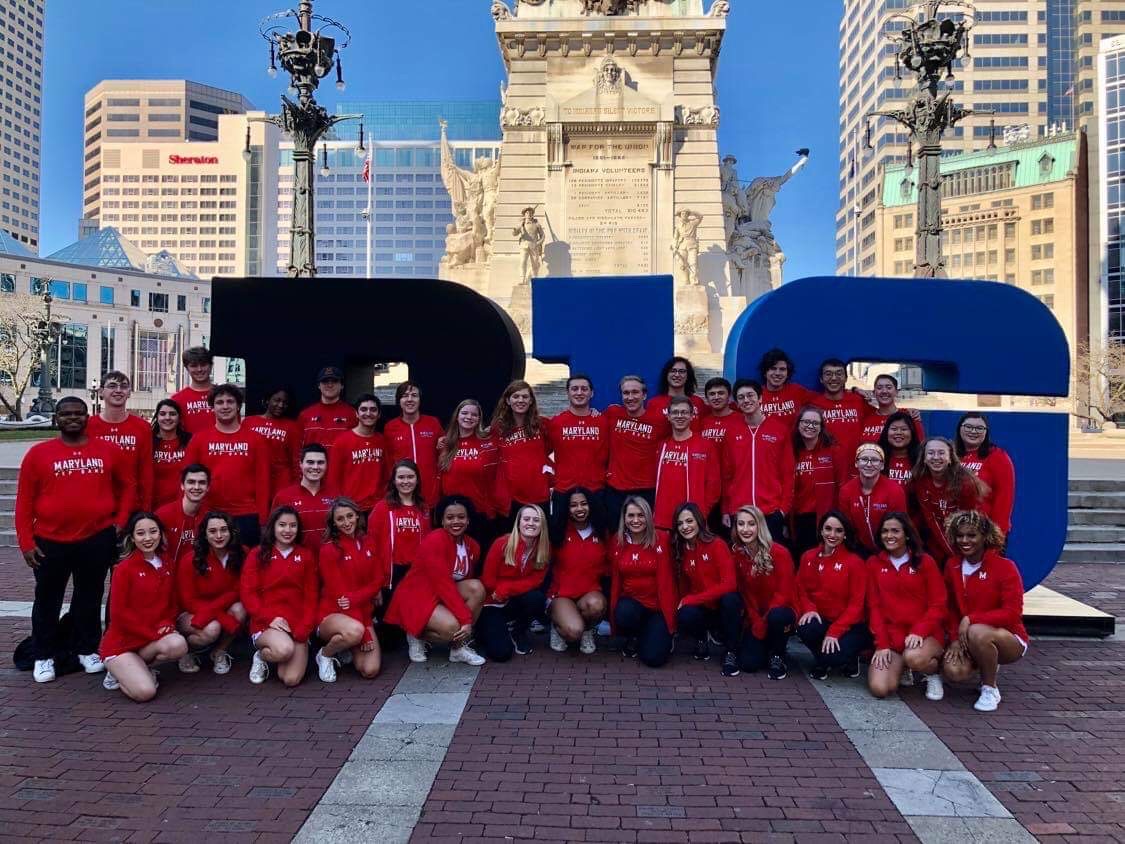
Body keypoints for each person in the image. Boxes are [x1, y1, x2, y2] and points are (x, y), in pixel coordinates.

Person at [16, 397, 132, 683]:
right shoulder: (38, 453)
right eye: (66, 414)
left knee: (89, 596)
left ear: (87, 417)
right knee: (47, 599)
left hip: (96, 537)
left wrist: (120, 522)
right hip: (49, 541)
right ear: (56, 418)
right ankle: (43, 655)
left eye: (78, 413)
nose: (72, 418)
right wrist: (26, 542)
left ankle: (86, 648)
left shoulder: (108, 450)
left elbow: (128, 486)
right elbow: (24, 502)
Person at [940, 510, 1028, 712]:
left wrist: (972, 619)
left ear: (985, 537)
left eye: (971, 535)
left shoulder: (1005, 567)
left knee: (978, 631)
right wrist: (954, 638)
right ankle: (987, 661)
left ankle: (990, 688)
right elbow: (950, 607)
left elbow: (1012, 613)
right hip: (967, 636)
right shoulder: (952, 565)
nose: (965, 540)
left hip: (1009, 637)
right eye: (960, 535)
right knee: (954, 672)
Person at [383, 495, 487, 666]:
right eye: (450, 517)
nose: (456, 522)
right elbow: (443, 584)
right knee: (453, 627)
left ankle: (458, 650)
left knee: (477, 588)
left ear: (468, 520)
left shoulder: (472, 545)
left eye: (461, 517)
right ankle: (414, 633)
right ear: (442, 520)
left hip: (441, 596)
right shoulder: (435, 540)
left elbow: (464, 581)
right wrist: (466, 620)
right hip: (417, 596)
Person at [99, 513, 188, 701]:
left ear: (161, 534)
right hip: (123, 643)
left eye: (153, 532)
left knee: (178, 645)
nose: (148, 538)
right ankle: (118, 671)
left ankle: (139, 668)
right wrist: (153, 634)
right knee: (145, 693)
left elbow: (173, 603)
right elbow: (119, 615)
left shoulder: (167, 563)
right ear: (132, 538)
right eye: (141, 533)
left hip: (148, 641)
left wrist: (167, 623)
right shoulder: (123, 569)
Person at [866, 512, 948, 702]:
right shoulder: (873, 564)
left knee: (914, 657)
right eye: (885, 531)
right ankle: (904, 668)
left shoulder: (925, 561)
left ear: (907, 534)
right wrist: (882, 644)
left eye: (895, 531)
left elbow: (939, 604)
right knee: (880, 688)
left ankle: (934, 673)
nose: (889, 536)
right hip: (893, 637)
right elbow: (874, 607)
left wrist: (919, 631)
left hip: (924, 635)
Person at [241, 506, 319, 687]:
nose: (287, 530)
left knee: (290, 679)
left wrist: (304, 627)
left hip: (297, 623)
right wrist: (269, 618)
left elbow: (311, 595)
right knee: (284, 650)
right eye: (282, 525)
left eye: (293, 526)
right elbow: (248, 593)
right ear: (273, 527)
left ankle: (279, 654)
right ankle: (261, 656)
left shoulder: (306, 555)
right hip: (267, 621)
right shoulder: (258, 554)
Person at [184, 384, 270, 544]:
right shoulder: (199, 439)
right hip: (209, 514)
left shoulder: (256, 440)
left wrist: (263, 520)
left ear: (238, 406)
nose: (225, 406)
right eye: (220, 402)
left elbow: (263, 482)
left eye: (230, 402)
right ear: (212, 407)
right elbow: (186, 480)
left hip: (246, 515)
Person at [315, 498, 387, 683]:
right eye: (340, 519)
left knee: (370, 670)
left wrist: (357, 598)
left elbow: (378, 579)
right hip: (333, 614)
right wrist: (365, 634)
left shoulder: (369, 540)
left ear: (357, 516)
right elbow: (341, 597)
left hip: (360, 610)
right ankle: (325, 654)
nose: (346, 523)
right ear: (333, 523)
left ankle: (345, 646)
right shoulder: (329, 549)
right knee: (356, 632)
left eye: (349, 516)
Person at [795, 511, 869, 680]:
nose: (832, 534)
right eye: (828, 529)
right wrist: (809, 609)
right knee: (806, 626)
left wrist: (834, 632)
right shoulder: (808, 557)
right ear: (821, 531)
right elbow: (800, 589)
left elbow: (856, 605)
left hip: (849, 626)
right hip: (822, 620)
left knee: (835, 658)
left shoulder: (855, 563)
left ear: (845, 535)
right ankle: (823, 660)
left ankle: (845, 658)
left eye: (838, 530)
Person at [671, 503, 742, 677]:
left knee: (730, 599)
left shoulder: (717, 544)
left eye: (689, 521)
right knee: (685, 613)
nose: (685, 527)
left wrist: (692, 600)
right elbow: (684, 587)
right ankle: (701, 638)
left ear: (699, 521)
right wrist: (685, 601)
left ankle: (730, 651)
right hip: (703, 608)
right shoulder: (681, 549)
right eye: (680, 524)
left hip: (723, 607)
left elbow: (730, 584)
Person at [720, 379, 794, 544]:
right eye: (741, 397)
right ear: (737, 403)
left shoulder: (779, 430)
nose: (746, 400)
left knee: (770, 562)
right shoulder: (732, 431)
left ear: (760, 398)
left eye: (750, 395)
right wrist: (726, 510)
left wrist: (782, 510)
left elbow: (788, 473)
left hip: (770, 511)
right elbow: (727, 474)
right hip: (739, 511)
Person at [609, 496, 677, 668]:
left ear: (648, 516)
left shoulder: (662, 538)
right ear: (624, 518)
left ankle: (655, 635)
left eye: (640, 515)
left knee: (653, 659)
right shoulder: (617, 542)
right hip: (632, 605)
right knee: (624, 612)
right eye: (631, 516)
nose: (636, 520)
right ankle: (634, 635)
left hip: (657, 608)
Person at [175, 511, 247, 675]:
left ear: (231, 532)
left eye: (224, 530)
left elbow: (240, 590)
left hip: (220, 609)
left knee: (240, 609)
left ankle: (220, 651)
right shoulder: (191, 559)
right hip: (190, 613)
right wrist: (221, 616)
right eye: (213, 531)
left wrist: (217, 611)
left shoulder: (242, 554)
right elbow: (188, 601)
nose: (219, 535)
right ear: (204, 534)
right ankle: (187, 651)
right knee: (212, 630)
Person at [731, 504, 797, 680]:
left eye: (751, 524)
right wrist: (755, 620)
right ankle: (766, 646)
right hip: (757, 617)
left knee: (777, 616)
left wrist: (764, 621)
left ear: (760, 526)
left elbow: (784, 594)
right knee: (748, 664)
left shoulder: (780, 553)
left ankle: (778, 655)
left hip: (779, 613)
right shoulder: (738, 555)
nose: (745, 529)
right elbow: (745, 595)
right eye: (741, 524)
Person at [478, 504, 551, 661]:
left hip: (513, 598)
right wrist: (502, 590)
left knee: (537, 599)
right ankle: (486, 632)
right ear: (518, 522)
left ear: (542, 525)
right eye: (526, 519)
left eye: (536, 520)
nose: (531, 523)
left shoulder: (543, 548)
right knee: (501, 654)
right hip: (493, 602)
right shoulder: (502, 543)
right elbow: (488, 580)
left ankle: (517, 630)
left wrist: (507, 588)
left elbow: (536, 580)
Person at [546, 374, 608, 542]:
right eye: (574, 389)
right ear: (567, 393)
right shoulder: (556, 423)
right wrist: (552, 475)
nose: (579, 392)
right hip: (564, 491)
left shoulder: (603, 421)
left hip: (596, 491)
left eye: (584, 389)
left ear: (592, 393)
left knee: (601, 539)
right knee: (559, 540)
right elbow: (541, 452)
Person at [547, 487, 607, 655]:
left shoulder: (601, 532)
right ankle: (557, 626)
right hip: (561, 595)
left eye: (583, 504)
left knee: (597, 606)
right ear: (567, 508)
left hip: (589, 594)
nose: (579, 509)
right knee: (573, 632)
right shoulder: (558, 531)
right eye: (573, 505)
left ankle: (588, 630)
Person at [603, 376, 670, 525]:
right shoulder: (612, 413)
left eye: (635, 392)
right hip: (616, 489)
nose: (630, 397)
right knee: (617, 535)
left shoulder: (660, 420)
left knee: (645, 535)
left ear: (644, 395)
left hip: (646, 489)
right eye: (626, 393)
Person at [489, 381, 552, 531]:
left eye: (525, 397)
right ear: (507, 400)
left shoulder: (542, 425)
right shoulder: (497, 429)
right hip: (511, 499)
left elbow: (554, 447)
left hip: (539, 494)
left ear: (531, 401)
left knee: (539, 542)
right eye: (516, 396)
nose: (520, 400)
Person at [909, 437, 985, 561]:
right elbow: (931, 520)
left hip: (964, 543)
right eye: (930, 453)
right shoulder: (919, 482)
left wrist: (960, 555)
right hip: (936, 545)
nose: (936, 457)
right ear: (924, 459)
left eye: (941, 453)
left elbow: (969, 522)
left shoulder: (965, 483)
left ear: (950, 458)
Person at [438, 399, 500, 546]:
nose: (469, 417)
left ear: (479, 419)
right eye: (464, 413)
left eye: (474, 414)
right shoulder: (445, 444)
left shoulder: (488, 443)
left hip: (477, 512)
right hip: (451, 515)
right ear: (457, 416)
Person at [88, 370, 153, 510]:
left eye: (123, 386)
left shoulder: (142, 427)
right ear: (101, 392)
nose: (118, 390)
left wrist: (146, 508)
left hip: (132, 504)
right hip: (97, 504)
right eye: (112, 386)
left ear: (129, 392)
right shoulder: (89, 426)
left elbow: (146, 470)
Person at [653, 396, 720, 531]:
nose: (679, 416)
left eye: (684, 412)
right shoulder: (662, 445)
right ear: (669, 416)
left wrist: (701, 513)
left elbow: (714, 485)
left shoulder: (705, 445)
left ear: (691, 416)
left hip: (693, 521)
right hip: (663, 521)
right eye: (675, 412)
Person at [790, 405, 846, 558]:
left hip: (826, 518)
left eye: (815, 423)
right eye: (805, 422)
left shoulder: (833, 450)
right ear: (798, 424)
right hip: (800, 518)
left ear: (822, 427)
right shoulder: (792, 451)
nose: (810, 426)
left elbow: (843, 485)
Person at [838, 444, 907, 558]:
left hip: (890, 547)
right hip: (859, 549)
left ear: (882, 465)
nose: (869, 464)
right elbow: (847, 527)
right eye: (864, 459)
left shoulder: (894, 490)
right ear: (856, 463)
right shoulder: (846, 490)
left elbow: (900, 526)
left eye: (875, 460)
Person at [370, 459, 430, 590]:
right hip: (391, 571)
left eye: (410, 477)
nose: (406, 482)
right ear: (394, 481)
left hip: (415, 571)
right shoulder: (383, 507)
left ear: (417, 479)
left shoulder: (423, 508)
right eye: (401, 477)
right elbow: (371, 543)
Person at [953, 413, 1016, 537]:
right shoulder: (950, 454)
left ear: (986, 432)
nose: (973, 431)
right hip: (955, 529)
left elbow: (1004, 498)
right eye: (968, 427)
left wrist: (996, 533)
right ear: (960, 428)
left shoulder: (997, 456)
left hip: (985, 531)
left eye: (979, 428)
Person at [384, 381, 443, 508]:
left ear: (420, 400)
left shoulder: (433, 423)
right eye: (405, 396)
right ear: (399, 401)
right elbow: (388, 462)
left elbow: (444, 453)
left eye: (414, 395)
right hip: (402, 496)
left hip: (430, 495)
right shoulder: (390, 427)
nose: (410, 399)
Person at [328, 393, 389, 514]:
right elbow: (333, 480)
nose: (368, 413)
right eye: (363, 409)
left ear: (379, 414)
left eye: (373, 410)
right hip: (350, 508)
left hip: (377, 508)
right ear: (356, 413)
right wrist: (340, 507)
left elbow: (386, 476)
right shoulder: (342, 441)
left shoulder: (382, 441)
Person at [273, 444, 337, 554]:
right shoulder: (284, 497)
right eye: (310, 462)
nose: (315, 467)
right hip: (298, 563)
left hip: (329, 560)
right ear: (301, 464)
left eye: (320, 462)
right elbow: (273, 534)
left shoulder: (336, 495)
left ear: (327, 465)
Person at [245, 387, 300, 498]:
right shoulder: (249, 422)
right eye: (277, 400)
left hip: (281, 482)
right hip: (254, 478)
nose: (280, 405)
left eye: (285, 402)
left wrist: (296, 485)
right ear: (267, 400)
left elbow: (296, 458)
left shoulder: (292, 427)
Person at [810, 358, 869, 459]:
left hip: (857, 466)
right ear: (821, 379)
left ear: (846, 378)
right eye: (828, 374)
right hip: (826, 466)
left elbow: (880, 414)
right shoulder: (813, 406)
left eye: (839, 373)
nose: (834, 378)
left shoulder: (858, 400)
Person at [155, 463, 211, 563]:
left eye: (202, 483)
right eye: (191, 482)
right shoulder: (163, 515)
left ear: (208, 488)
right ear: (182, 486)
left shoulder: (210, 517)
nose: (196, 487)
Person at [298, 366, 358, 449]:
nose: (330, 385)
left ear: (342, 385)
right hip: (314, 461)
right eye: (325, 381)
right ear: (319, 385)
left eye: (335, 381)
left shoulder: (352, 414)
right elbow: (298, 448)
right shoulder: (305, 414)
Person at [859, 374, 923, 445]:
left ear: (896, 392)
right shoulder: (866, 416)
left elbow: (920, 446)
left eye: (889, 387)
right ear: (874, 393)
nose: (884, 391)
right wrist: (854, 389)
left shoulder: (909, 415)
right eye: (879, 388)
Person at [757, 348, 813, 428]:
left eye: (782, 369)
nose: (777, 373)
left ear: (787, 373)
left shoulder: (796, 390)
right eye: (773, 368)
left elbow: (822, 401)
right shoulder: (755, 393)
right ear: (765, 373)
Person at [151, 399, 192, 509]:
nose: (167, 418)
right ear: (157, 417)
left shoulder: (190, 441)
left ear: (179, 418)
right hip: (154, 506)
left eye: (172, 414)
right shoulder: (148, 442)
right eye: (163, 414)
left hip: (183, 505)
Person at [170, 346, 217, 435]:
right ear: (187, 368)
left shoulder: (225, 396)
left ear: (211, 366)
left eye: (203, 364)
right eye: (194, 366)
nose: (199, 369)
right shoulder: (177, 400)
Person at [878, 411, 921, 487]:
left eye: (904, 429)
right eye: (894, 429)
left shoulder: (921, 461)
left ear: (912, 433)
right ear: (886, 432)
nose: (898, 433)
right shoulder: (877, 460)